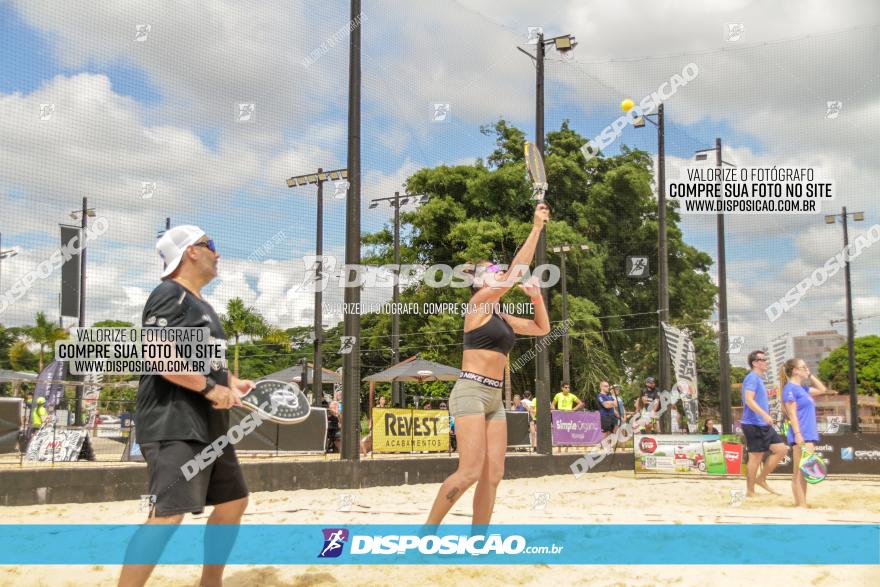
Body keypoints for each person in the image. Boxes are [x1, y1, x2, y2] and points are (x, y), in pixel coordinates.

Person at [120, 226, 254, 587]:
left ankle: (210, 583)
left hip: (209, 426)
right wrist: (210, 388)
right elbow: (157, 352)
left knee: (233, 503)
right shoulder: (169, 293)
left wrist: (231, 383)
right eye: (212, 244)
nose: (218, 253)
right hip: (173, 421)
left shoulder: (202, 304)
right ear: (190, 252)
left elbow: (209, 360)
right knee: (167, 514)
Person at [426, 203, 550, 527]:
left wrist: (536, 297)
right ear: (480, 282)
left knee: (493, 474)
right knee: (468, 471)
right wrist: (536, 228)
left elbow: (542, 329)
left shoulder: (502, 316)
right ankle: (425, 533)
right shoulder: (477, 305)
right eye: (492, 270)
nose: (497, 271)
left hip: (494, 399)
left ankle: (477, 541)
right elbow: (514, 272)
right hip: (470, 391)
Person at [740, 350, 789, 497]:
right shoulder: (752, 378)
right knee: (756, 457)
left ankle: (761, 479)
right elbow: (749, 400)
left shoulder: (759, 379)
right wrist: (764, 415)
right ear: (755, 363)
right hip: (753, 424)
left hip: (763, 424)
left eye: (766, 359)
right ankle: (750, 491)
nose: (766, 361)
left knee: (781, 450)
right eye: (762, 359)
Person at [781, 357, 828, 508]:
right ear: (795, 370)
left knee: (804, 472)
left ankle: (801, 503)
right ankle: (801, 505)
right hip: (801, 434)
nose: (806, 369)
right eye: (803, 367)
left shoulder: (803, 389)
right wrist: (798, 434)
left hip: (807, 434)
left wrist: (811, 376)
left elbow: (823, 390)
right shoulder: (789, 388)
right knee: (800, 472)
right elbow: (792, 414)